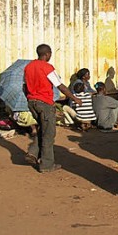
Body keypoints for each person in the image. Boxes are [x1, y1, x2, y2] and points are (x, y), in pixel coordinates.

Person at [23, 44, 81, 172]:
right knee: (49, 134)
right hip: (44, 103)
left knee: (43, 129)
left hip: (32, 102)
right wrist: (74, 98)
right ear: (47, 54)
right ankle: (47, 165)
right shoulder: (47, 67)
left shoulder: (28, 67)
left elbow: (24, 86)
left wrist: (29, 98)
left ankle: (33, 152)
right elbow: (60, 86)